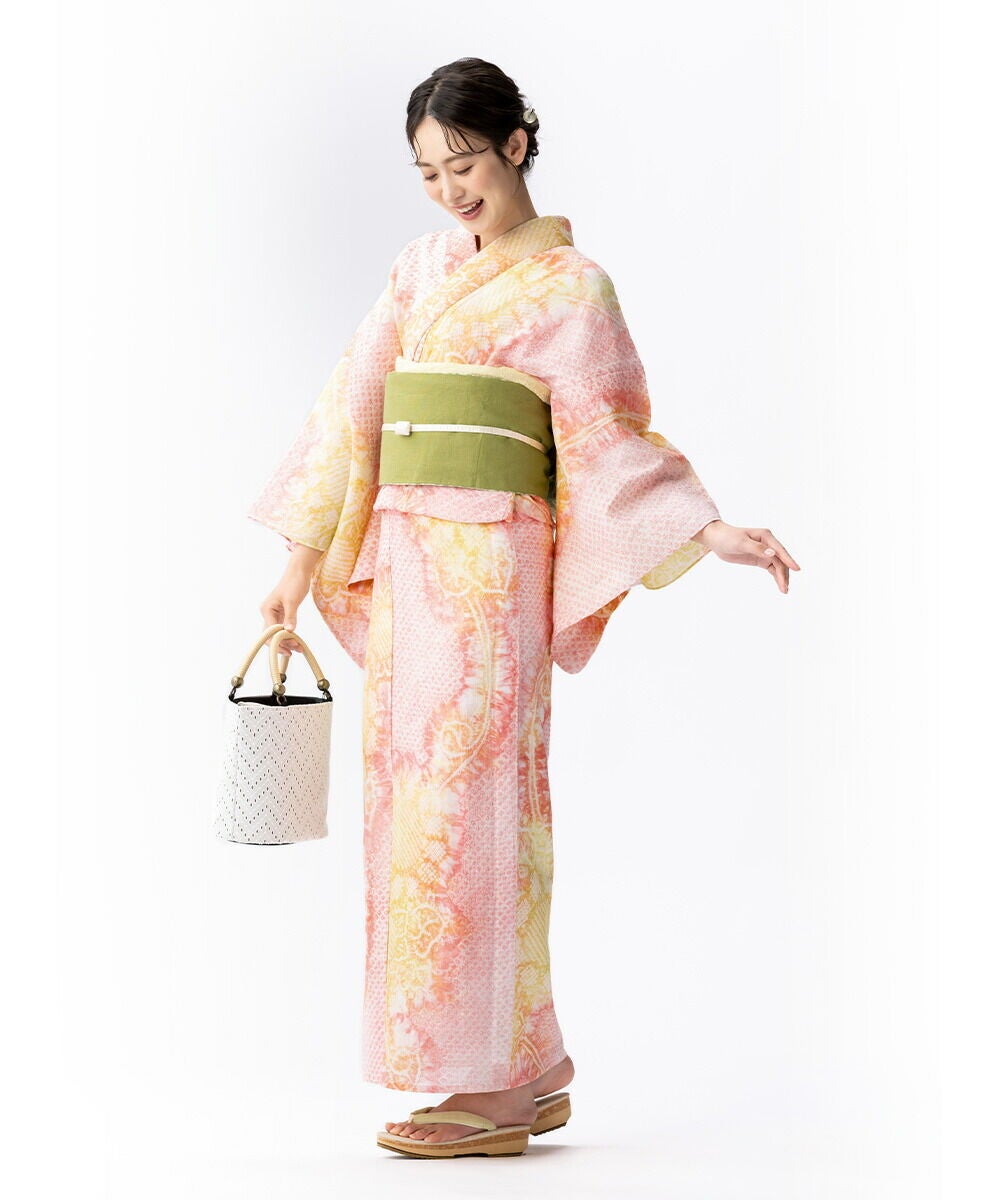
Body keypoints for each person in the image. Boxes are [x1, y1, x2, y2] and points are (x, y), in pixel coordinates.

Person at [246, 57, 800, 1160]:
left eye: (465, 164)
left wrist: (706, 530)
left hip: (492, 577)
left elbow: (607, 439)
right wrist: (299, 564)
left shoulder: (572, 289)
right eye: (428, 174)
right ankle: (527, 1063)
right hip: (409, 570)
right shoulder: (418, 271)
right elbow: (352, 408)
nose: (450, 191)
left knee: (477, 812)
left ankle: (493, 1084)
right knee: (414, 812)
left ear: (515, 144)